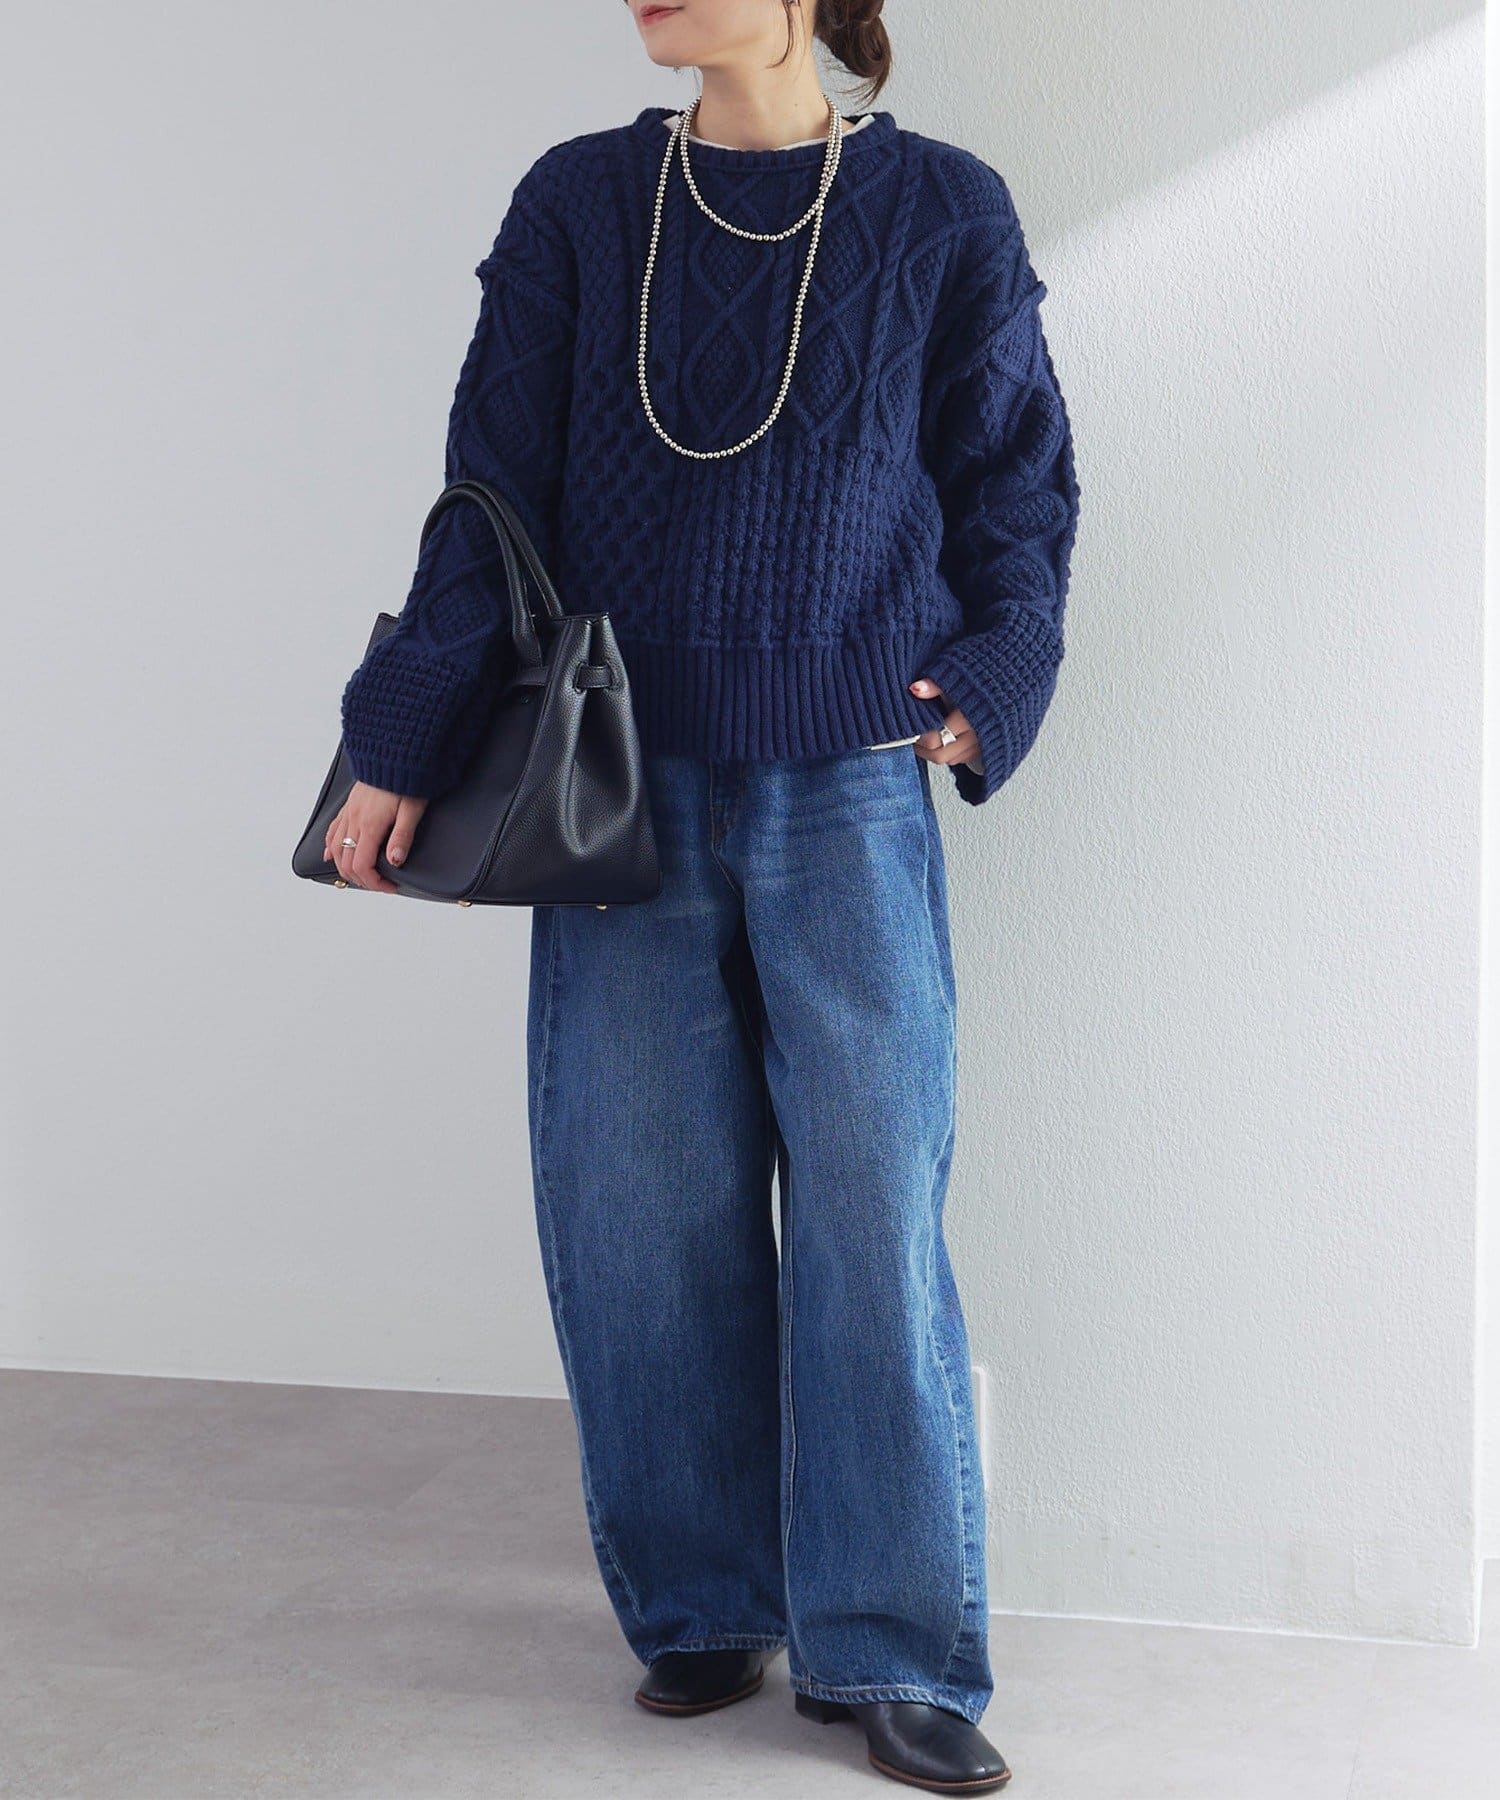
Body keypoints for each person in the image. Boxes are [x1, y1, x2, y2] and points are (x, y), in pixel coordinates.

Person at [325, 1, 1080, 1791]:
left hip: (854, 775)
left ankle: (892, 1643)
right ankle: (702, 1603)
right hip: (608, 784)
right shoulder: (582, 201)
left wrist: (997, 671)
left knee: (873, 1219)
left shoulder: (944, 209)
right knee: (639, 1215)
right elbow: (488, 499)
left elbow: (1016, 483)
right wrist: (402, 731)